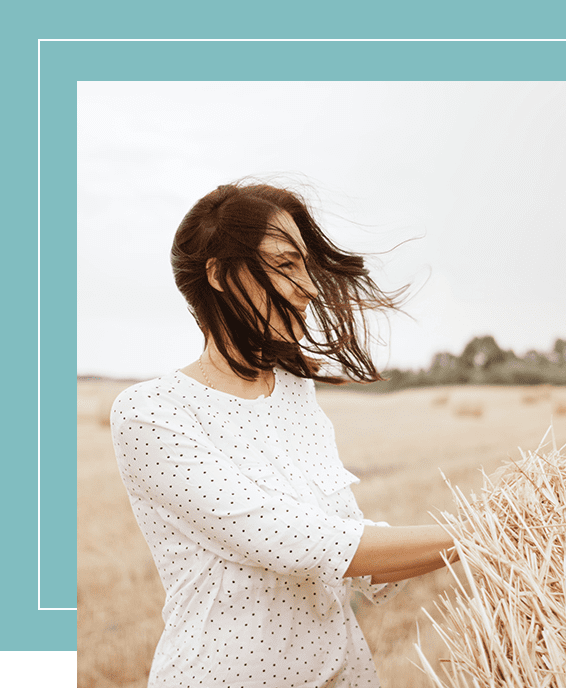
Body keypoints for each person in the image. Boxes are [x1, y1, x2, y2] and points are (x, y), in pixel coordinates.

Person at [111, 181, 458, 688]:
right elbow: (298, 543)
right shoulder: (151, 412)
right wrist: (477, 535)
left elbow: (348, 547)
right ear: (221, 274)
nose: (311, 288)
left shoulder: (296, 395)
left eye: (305, 267)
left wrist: (491, 535)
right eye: (285, 265)